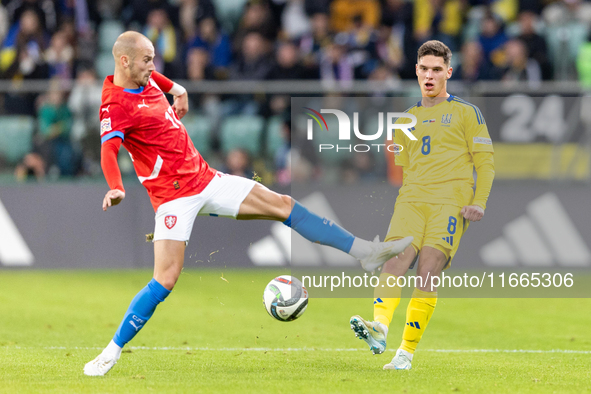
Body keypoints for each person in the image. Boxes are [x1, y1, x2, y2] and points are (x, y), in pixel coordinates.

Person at [83, 31, 413, 376]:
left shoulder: (146, 79)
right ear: (124, 61)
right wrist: (115, 186)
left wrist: (177, 89)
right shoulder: (114, 104)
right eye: (147, 60)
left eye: (153, 59)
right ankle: (111, 351)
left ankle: (365, 252)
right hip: (173, 198)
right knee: (165, 278)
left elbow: (160, 80)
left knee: (283, 204)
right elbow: (109, 149)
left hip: (206, 179)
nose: (154, 66)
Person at [349, 40, 495, 370]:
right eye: (424, 69)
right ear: (416, 71)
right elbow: (403, 166)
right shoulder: (405, 120)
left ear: (448, 73)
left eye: (437, 70)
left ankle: (405, 354)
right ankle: (380, 328)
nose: (430, 76)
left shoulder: (467, 113)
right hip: (411, 201)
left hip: (450, 204)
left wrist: (480, 202)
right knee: (395, 260)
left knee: (427, 272)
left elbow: (485, 163)